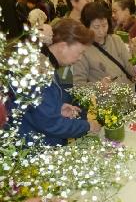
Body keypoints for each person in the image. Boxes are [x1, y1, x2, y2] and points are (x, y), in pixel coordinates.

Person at [7, 18, 101, 146]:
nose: (80, 58)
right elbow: (50, 123)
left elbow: (36, 107)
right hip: (31, 146)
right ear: (63, 46)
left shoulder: (43, 62)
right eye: (80, 53)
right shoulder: (39, 70)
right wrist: (87, 126)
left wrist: (58, 108)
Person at [74, 2, 135, 87]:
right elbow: (78, 85)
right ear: (86, 26)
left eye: (104, 25)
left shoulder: (116, 40)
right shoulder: (82, 49)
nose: (101, 31)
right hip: (107, 98)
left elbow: (130, 67)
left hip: (129, 93)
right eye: (96, 27)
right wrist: (98, 86)